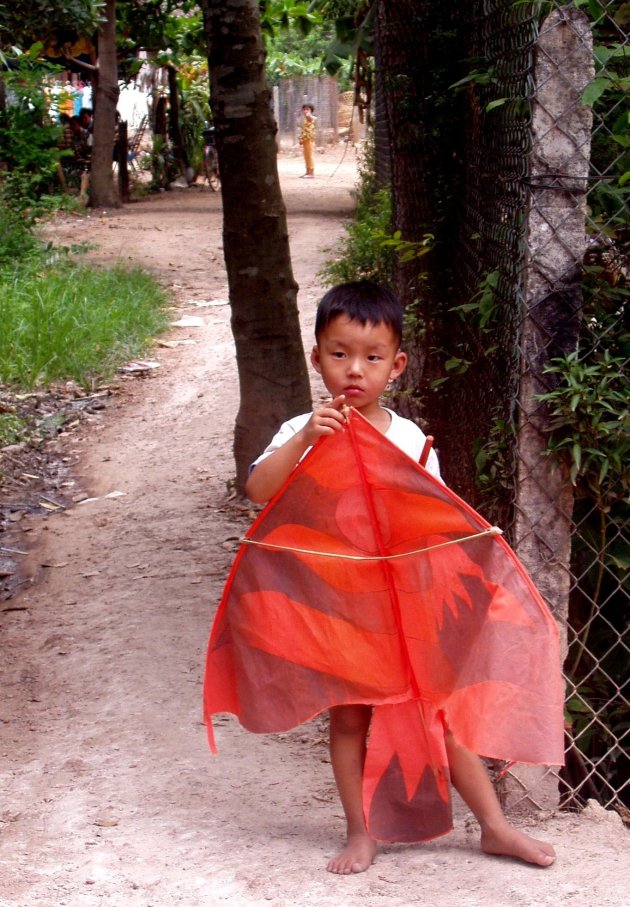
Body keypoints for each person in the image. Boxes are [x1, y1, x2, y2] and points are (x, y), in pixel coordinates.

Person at [242, 281, 558, 875]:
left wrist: (415, 483)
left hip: (408, 606)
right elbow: (259, 491)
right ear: (317, 358)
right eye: (338, 354)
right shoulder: (300, 430)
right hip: (340, 605)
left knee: (443, 714)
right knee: (350, 717)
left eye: (372, 357)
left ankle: (494, 827)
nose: (354, 371)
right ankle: (360, 831)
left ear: (397, 365)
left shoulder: (409, 438)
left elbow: (435, 530)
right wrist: (310, 438)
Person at [298, 103, 316, 178]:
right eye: (304, 109)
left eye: (307, 109)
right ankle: (307, 172)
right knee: (306, 156)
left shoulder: (311, 118)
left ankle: (311, 173)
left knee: (309, 156)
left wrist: (308, 114)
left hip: (309, 140)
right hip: (305, 140)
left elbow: (311, 118)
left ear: (311, 110)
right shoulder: (305, 120)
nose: (305, 111)